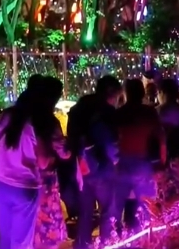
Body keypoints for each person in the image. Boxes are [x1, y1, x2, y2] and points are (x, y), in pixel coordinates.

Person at [67, 76, 122, 249]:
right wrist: (116, 161)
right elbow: (110, 143)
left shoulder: (79, 107)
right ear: (112, 94)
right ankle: (106, 244)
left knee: (85, 212)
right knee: (108, 210)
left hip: (82, 167)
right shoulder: (106, 112)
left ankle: (82, 245)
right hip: (102, 168)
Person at [0, 88, 44, 249]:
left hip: (1, 181)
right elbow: (43, 161)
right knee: (21, 240)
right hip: (25, 185)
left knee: (5, 235)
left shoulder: (5, 116)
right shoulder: (36, 124)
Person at [114, 79, 165, 233]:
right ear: (142, 93)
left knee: (117, 208)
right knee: (146, 207)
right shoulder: (149, 113)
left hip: (121, 163)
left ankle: (118, 238)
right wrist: (161, 164)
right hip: (143, 163)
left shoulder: (119, 113)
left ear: (126, 93)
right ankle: (145, 238)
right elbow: (161, 139)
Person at [32, 77, 70, 249]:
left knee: (32, 222)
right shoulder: (49, 121)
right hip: (45, 176)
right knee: (47, 223)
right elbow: (63, 151)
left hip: (27, 174)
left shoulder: (26, 117)